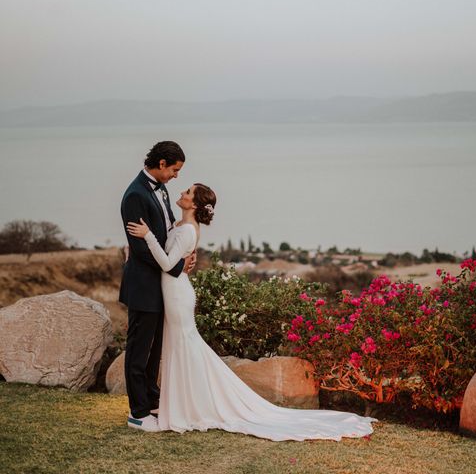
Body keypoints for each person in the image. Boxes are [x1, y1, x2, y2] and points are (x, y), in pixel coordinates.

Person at [126, 183, 376, 440]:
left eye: (188, 192)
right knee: (180, 349)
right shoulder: (179, 226)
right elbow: (172, 256)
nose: (182, 193)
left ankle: (192, 406)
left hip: (177, 295)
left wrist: (147, 235)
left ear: (195, 204)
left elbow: (168, 264)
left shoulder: (189, 230)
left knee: (183, 347)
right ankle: (182, 404)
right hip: (172, 292)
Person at [120, 141, 196, 432]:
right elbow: (140, 250)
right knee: (139, 350)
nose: (176, 176)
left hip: (162, 286)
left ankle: (152, 401)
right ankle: (137, 413)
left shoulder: (161, 188)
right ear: (162, 163)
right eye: (175, 170)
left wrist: (185, 250)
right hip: (143, 285)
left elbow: (166, 232)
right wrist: (176, 266)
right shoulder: (136, 195)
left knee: (155, 350)